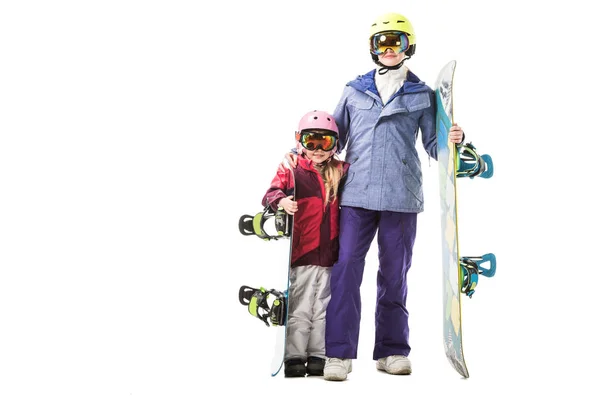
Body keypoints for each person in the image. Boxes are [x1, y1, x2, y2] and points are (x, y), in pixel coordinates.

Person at [284, 12, 466, 381]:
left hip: (402, 195)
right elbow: (333, 138)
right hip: (356, 195)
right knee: (346, 268)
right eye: (381, 43)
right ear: (372, 48)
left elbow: (433, 146)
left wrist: (453, 141)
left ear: (407, 46)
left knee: (395, 273)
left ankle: (392, 349)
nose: (388, 49)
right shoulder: (354, 90)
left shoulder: (422, 95)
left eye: (395, 42)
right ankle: (337, 353)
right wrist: (300, 158)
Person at [262, 110, 349, 378]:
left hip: (329, 254)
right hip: (302, 252)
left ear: (335, 144)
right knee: (300, 306)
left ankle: (318, 355)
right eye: (312, 142)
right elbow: (270, 194)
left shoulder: (341, 170)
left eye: (325, 143)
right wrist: (282, 201)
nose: (318, 150)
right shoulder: (292, 169)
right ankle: (295, 355)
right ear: (300, 141)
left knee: (324, 307)